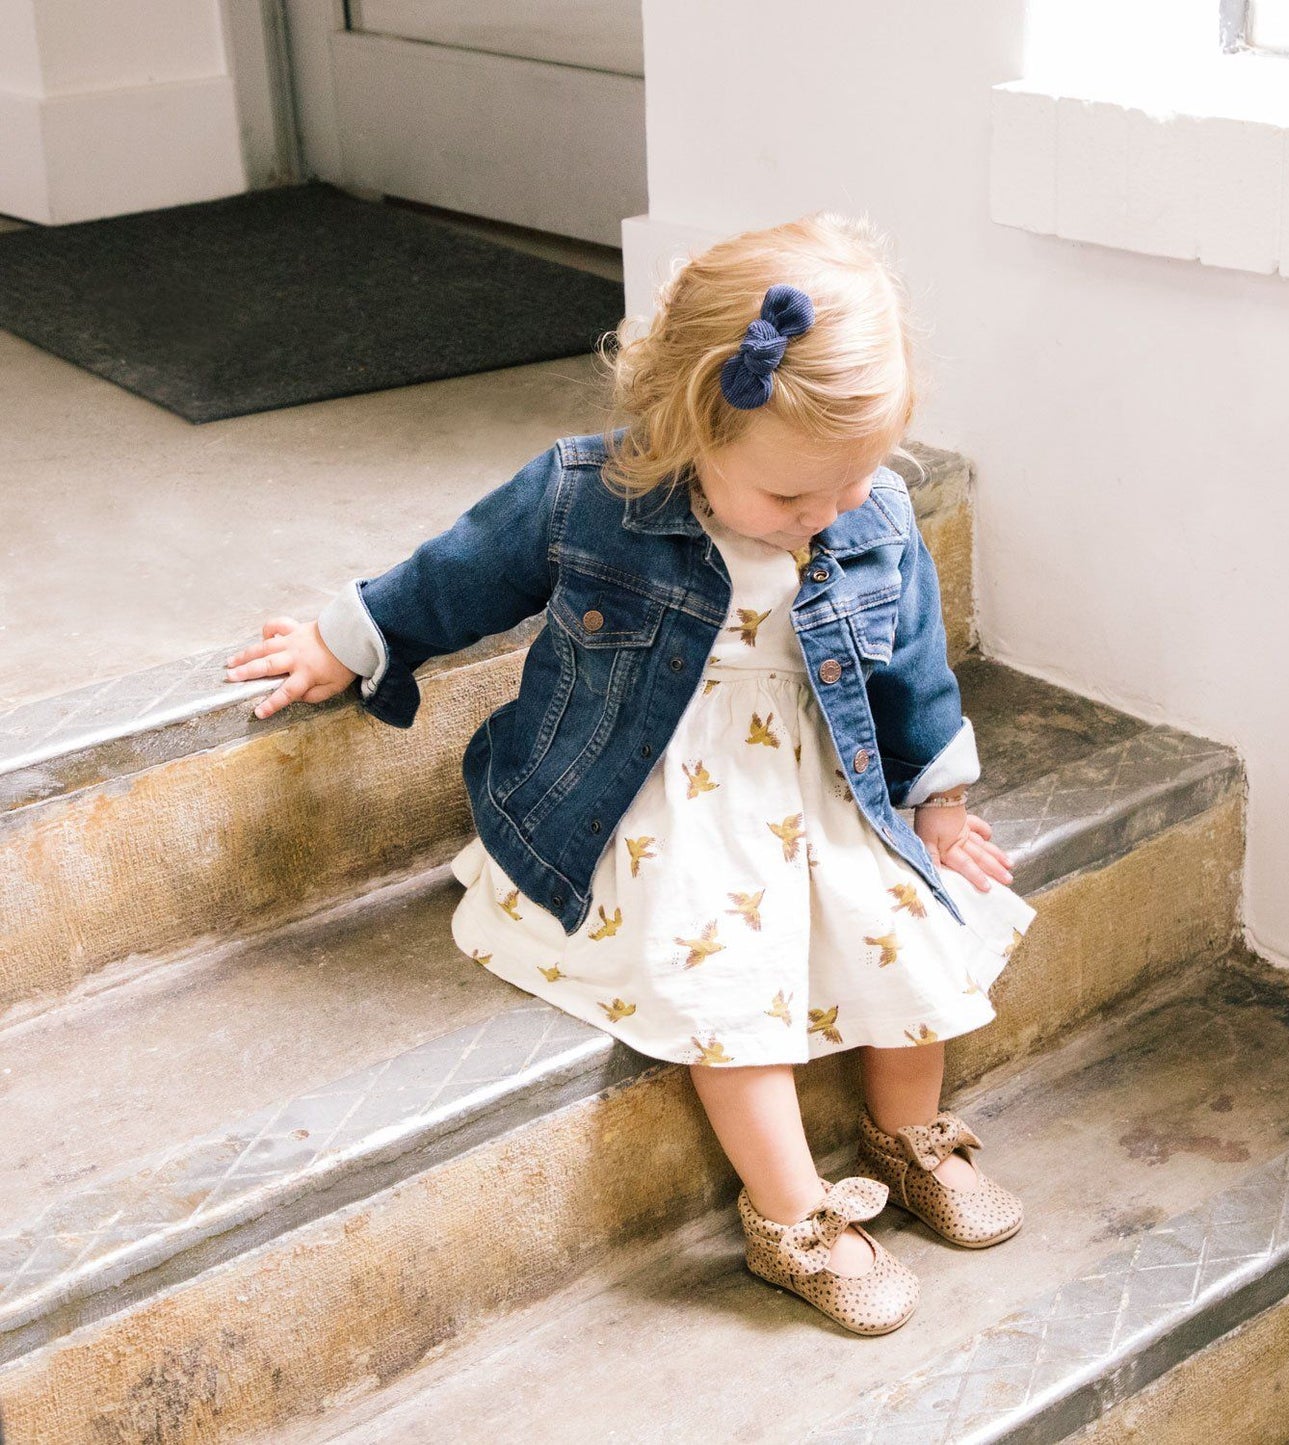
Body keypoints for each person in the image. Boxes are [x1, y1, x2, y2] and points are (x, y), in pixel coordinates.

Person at [222, 212, 1036, 1336]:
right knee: (729, 988)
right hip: (651, 796)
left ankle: (909, 1136)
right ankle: (791, 1211)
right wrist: (349, 638)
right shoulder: (586, 496)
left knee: (909, 935)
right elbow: (453, 577)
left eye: (845, 488)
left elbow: (907, 667)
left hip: (819, 786)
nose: (824, 517)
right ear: (688, 428)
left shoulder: (871, 507)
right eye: (793, 500)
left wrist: (935, 802)